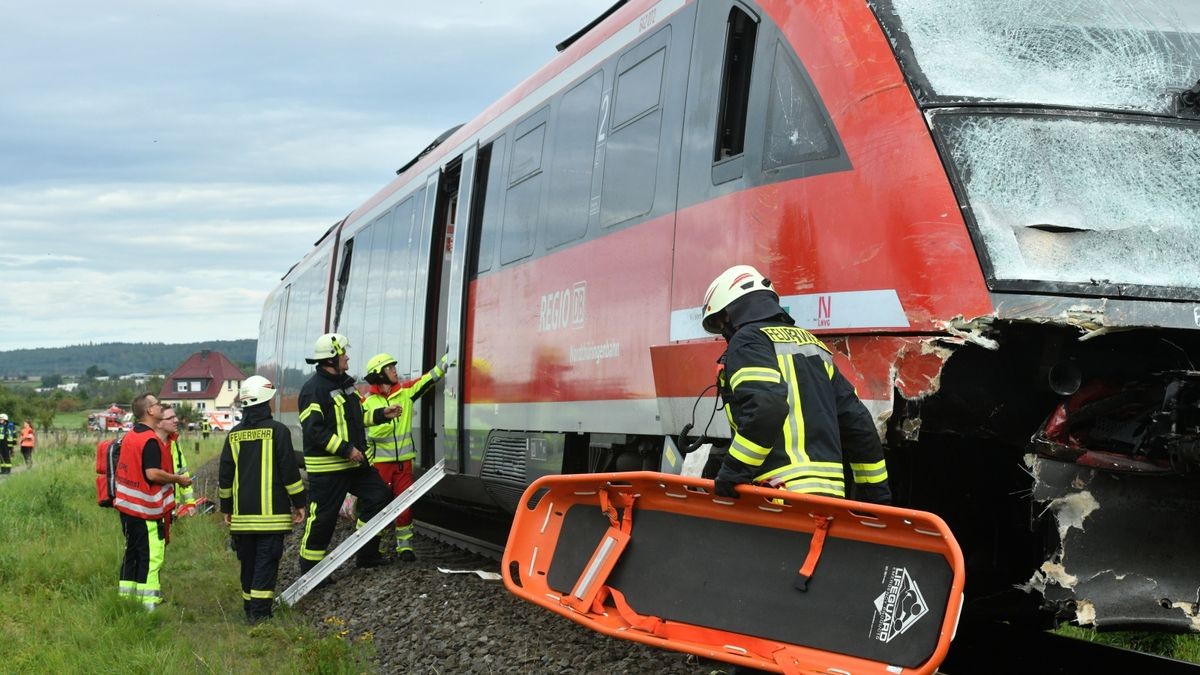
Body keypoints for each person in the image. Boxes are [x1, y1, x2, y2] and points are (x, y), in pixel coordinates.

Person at [700, 265, 891, 504]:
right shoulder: (813, 345)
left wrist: (733, 471)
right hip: (829, 501)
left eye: (720, 323)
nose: (724, 333)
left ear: (729, 314)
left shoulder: (748, 340)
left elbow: (767, 408)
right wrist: (875, 501)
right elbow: (859, 424)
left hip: (777, 496)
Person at [297, 333, 394, 574]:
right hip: (328, 469)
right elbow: (314, 431)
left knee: (379, 497)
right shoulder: (313, 391)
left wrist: (382, 414)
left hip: (354, 465)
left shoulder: (347, 385)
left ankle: (366, 553)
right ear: (331, 359)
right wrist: (347, 449)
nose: (347, 357)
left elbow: (357, 418)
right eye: (343, 353)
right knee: (323, 520)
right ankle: (311, 570)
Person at [219, 375, 307, 624]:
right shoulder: (277, 431)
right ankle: (260, 615)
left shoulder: (234, 435)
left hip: (242, 518)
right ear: (266, 400)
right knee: (265, 565)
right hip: (271, 518)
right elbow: (289, 472)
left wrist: (227, 507)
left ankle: (249, 608)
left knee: (248, 564)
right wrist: (299, 502)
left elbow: (225, 476)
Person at [362, 351, 453, 560]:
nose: (395, 370)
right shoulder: (367, 403)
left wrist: (446, 361)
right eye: (390, 368)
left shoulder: (406, 392)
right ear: (379, 374)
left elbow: (429, 379)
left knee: (405, 506)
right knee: (380, 508)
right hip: (380, 466)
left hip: (403, 463)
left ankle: (405, 548)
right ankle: (376, 549)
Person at [113, 393, 192, 610]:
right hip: (146, 511)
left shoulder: (130, 436)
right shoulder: (150, 440)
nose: (160, 407)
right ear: (149, 411)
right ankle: (148, 608)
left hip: (128, 509)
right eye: (157, 404)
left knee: (133, 555)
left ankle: (128, 601)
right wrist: (177, 479)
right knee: (150, 557)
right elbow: (152, 474)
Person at [157, 407, 197, 516]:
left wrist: (189, 502)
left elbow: (183, 473)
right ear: (158, 423)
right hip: (155, 508)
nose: (176, 420)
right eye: (170, 418)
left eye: (175, 417)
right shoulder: (150, 445)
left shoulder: (174, 443)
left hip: (173, 506)